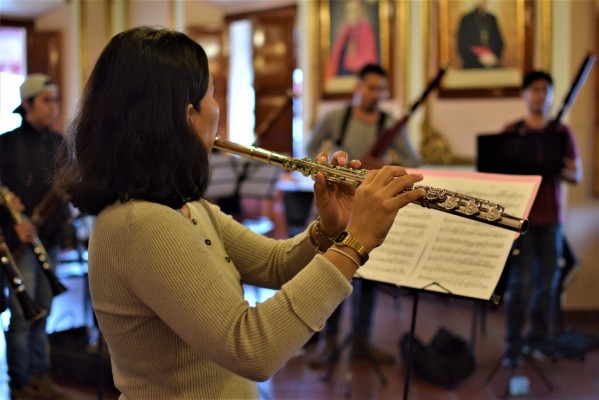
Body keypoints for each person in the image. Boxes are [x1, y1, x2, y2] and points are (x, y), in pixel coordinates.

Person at [54, 27, 426, 399]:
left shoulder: (186, 207)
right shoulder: (141, 224)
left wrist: (330, 229)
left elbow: (275, 264)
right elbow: (250, 348)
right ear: (189, 116)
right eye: (213, 93)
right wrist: (354, 243)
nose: (217, 109)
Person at [306, 63, 420, 368]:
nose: (376, 94)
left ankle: (362, 341)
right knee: (331, 272)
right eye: (370, 88)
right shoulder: (336, 117)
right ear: (357, 87)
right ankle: (328, 340)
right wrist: (332, 166)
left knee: (369, 276)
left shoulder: (389, 124)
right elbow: (310, 149)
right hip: (337, 206)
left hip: (371, 210)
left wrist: (380, 166)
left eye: (381, 89)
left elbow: (411, 161)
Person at [501, 70, 582, 367]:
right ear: (524, 94)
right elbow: (498, 172)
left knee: (547, 285)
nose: (540, 95)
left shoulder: (561, 133)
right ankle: (513, 345)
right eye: (534, 89)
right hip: (521, 220)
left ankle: (539, 341)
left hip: (551, 220)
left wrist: (555, 166)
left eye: (546, 90)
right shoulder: (511, 131)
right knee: (520, 285)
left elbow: (576, 174)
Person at [0, 74, 72, 400]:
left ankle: (41, 376)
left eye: (55, 100)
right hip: (20, 242)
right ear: (27, 104)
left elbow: (66, 188)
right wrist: (12, 225)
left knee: (43, 310)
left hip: (49, 240)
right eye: (46, 100)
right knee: (22, 315)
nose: (53, 107)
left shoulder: (58, 142)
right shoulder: (6, 143)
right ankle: (20, 383)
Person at [327, 0, 378, 78]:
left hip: (359, 72)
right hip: (343, 74)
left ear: (359, 11)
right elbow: (336, 56)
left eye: (354, 11)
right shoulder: (344, 29)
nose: (351, 14)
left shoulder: (366, 29)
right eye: (349, 11)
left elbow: (369, 56)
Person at [457, 0, 504, 69]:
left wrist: (492, 56)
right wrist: (479, 58)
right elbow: (462, 45)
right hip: (471, 66)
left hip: (491, 64)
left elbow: (499, 43)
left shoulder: (492, 19)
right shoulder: (466, 19)